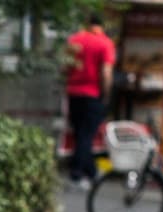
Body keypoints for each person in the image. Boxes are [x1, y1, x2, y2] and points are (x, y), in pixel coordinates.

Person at [65, 12, 117, 189]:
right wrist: (106, 93)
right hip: (92, 94)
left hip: (73, 93)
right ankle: (77, 173)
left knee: (80, 132)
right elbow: (106, 73)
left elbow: (65, 66)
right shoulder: (105, 43)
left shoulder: (74, 40)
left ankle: (92, 172)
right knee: (87, 135)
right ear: (102, 26)